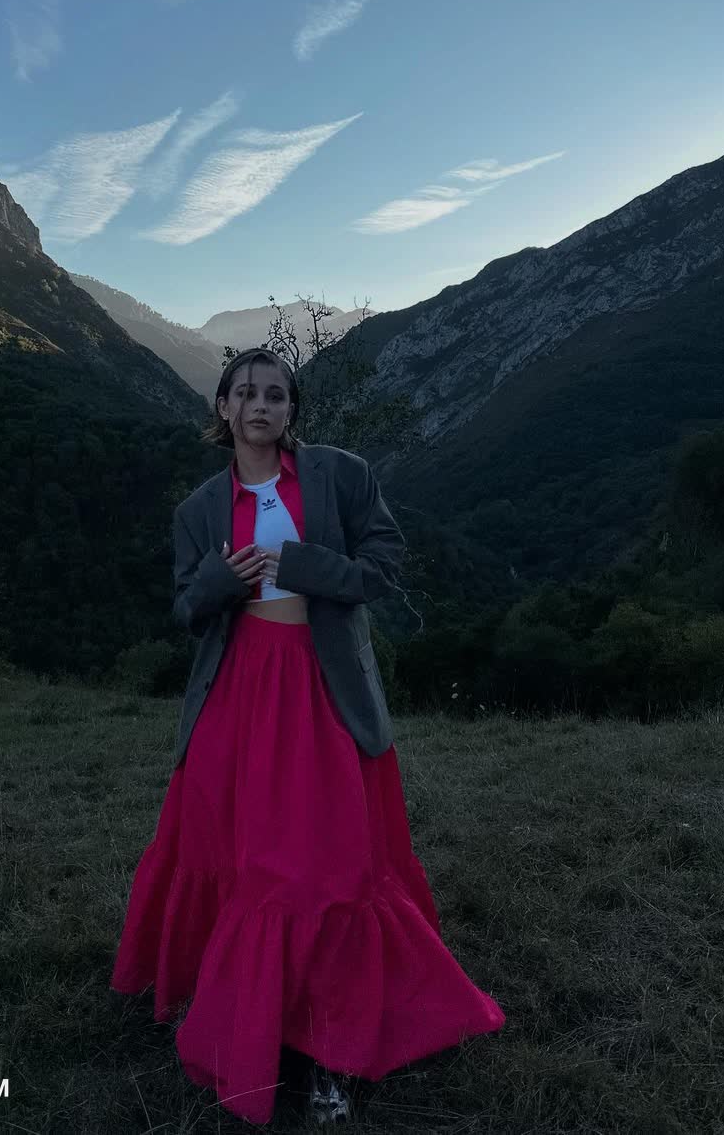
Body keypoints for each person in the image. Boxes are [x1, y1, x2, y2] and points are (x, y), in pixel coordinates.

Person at [110, 348, 505, 1126]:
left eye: (276, 394)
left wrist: (301, 564)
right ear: (223, 408)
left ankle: (331, 1046)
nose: (260, 406)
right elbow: (187, 610)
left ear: (293, 409)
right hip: (238, 695)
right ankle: (236, 1006)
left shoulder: (340, 475)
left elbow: (382, 568)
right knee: (239, 860)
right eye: (245, 393)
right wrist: (223, 581)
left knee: (328, 868)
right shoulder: (199, 508)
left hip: (321, 690)